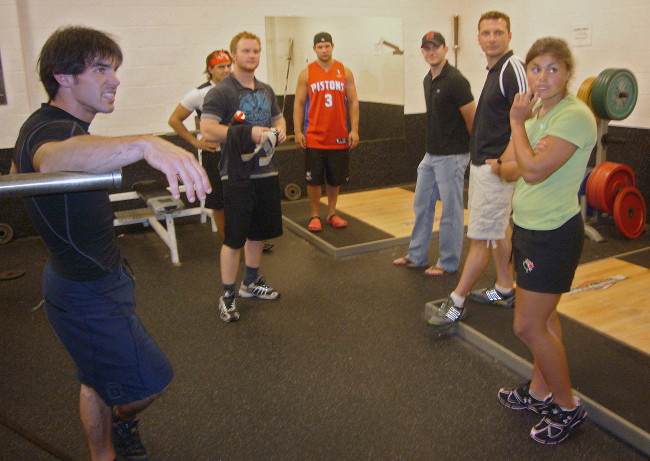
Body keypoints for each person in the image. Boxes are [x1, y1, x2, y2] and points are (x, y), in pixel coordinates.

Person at [11, 26, 210, 461]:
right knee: (152, 381)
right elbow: (52, 160)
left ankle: (103, 454)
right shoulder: (53, 133)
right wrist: (145, 143)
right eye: (101, 68)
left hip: (88, 279)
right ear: (63, 76)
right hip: (86, 291)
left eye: (115, 69)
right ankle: (121, 423)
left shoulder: (45, 125)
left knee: (95, 377)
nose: (115, 79)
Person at [494, 37, 595, 444]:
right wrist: (525, 152)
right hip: (528, 228)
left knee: (527, 325)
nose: (542, 77)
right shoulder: (537, 113)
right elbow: (504, 167)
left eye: (553, 69)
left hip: (554, 232)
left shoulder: (574, 116)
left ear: (568, 72)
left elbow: (532, 171)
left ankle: (568, 407)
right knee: (546, 319)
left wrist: (518, 131)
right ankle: (539, 392)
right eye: (536, 69)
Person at [428, 11, 526, 327]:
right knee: (497, 230)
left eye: (498, 32)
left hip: (494, 168)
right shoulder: (495, 70)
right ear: (479, 38)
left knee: (481, 238)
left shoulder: (513, 68)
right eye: (486, 33)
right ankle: (504, 287)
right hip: (485, 166)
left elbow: (529, 117)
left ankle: (456, 301)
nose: (492, 38)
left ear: (509, 36)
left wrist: (505, 163)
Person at [200, 31, 287, 323]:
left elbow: (277, 118)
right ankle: (227, 294)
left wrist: (282, 128)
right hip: (237, 175)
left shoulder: (265, 90)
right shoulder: (222, 91)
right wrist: (247, 133)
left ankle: (250, 282)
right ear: (234, 55)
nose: (251, 56)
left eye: (256, 51)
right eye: (246, 51)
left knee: (259, 232)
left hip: (266, 172)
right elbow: (208, 129)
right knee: (234, 237)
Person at [393, 31, 475, 276]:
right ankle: (417, 256)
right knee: (422, 204)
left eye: (436, 47)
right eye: (427, 48)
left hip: (453, 155)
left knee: (451, 211)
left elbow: (472, 120)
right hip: (432, 155)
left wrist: (475, 154)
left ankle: (448, 262)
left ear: (445, 50)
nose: (431, 52)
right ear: (422, 51)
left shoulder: (456, 81)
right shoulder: (428, 79)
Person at [293, 31, 359, 232]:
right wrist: (297, 131)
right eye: (320, 47)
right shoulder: (307, 73)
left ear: (332, 46)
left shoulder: (344, 71)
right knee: (314, 179)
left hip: (338, 135)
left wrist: (354, 130)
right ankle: (315, 215)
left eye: (327, 46)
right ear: (314, 49)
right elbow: (298, 103)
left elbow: (354, 102)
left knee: (335, 178)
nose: (324, 50)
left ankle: (331, 213)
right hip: (314, 135)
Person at [168, 49, 232, 239]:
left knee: (244, 199)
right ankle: (228, 242)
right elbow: (174, 120)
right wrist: (194, 142)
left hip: (238, 153)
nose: (226, 70)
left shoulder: (241, 88)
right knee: (219, 203)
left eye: (229, 66)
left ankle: (249, 240)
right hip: (215, 154)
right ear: (210, 69)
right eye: (221, 67)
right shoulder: (199, 94)